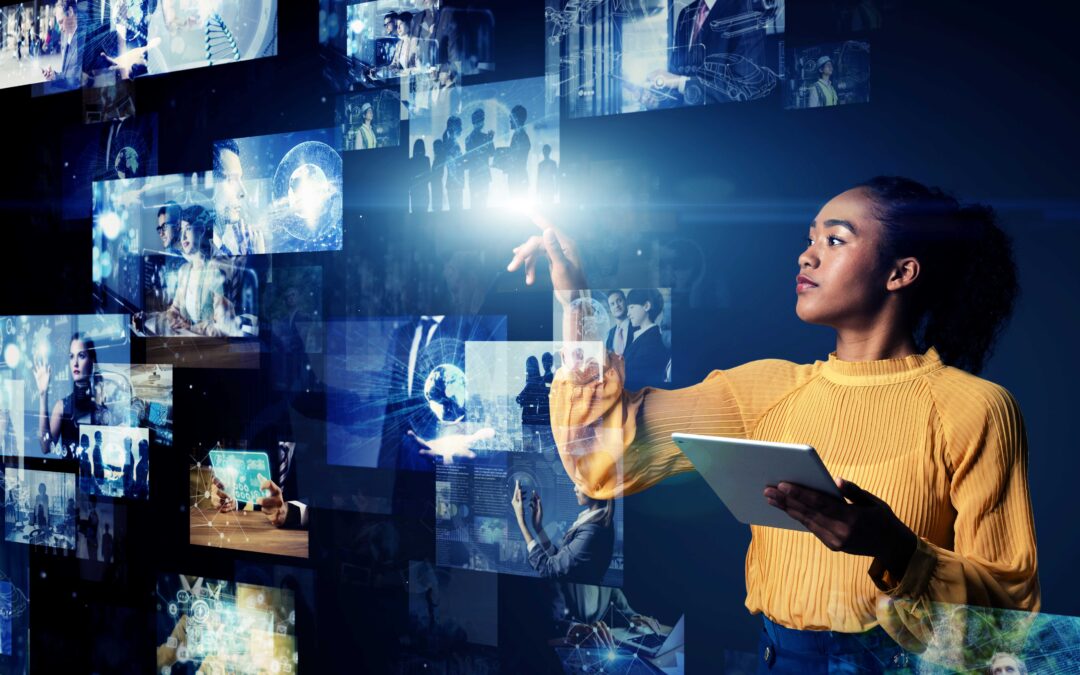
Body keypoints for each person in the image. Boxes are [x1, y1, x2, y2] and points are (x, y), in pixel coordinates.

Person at [508, 176, 1039, 670]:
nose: (806, 253)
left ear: (900, 272)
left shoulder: (975, 407)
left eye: (835, 240)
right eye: (811, 237)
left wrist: (898, 551)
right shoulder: (766, 389)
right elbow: (600, 460)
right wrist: (574, 297)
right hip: (778, 656)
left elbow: (1008, 620)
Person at [659, 0, 766, 105]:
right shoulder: (685, 14)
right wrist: (660, 99)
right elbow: (676, 75)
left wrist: (680, 83)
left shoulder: (746, 10)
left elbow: (743, 88)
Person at [510, 480, 615, 583]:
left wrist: (521, 521)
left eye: (580, 483)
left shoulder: (592, 532)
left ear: (596, 488)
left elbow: (549, 569)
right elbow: (560, 561)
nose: (575, 489)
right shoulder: (593, 521)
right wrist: (538, 527)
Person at [162, 205, 239, 337]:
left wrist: (191, 328)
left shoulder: (216, 271)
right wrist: (172, 319)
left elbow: (222, 326)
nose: (183, 236)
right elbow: (174, 309)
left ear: (202, 230)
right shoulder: (184, 271)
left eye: (188, 229)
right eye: (181, 231)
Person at [33, 333, 110, 457]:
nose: (75, 363)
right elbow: (45, 447)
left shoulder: (104, 404)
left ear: (92, 361)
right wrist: (43, 394)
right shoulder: (62, 406)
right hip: (70, 475)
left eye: (81, 356)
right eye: (71, 356)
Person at [621, 288, 669, 390]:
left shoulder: (653, 341)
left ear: (646, 306)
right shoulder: (640, 335)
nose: (628, 314)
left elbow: (636, 375)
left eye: (632, 307)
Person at [41, 0, 81, 93]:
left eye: (61, 21)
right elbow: (67, 75)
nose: (59, 28)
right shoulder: (66, 36)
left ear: (70, 12)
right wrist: (54, 76)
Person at [464, 108, 494, 209]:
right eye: (482, 120)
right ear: (481, 122)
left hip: (474, 174)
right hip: (483, 174)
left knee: (474, 203)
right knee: (483, 203)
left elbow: (470, 156)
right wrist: (490, 140)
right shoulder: (486, 137)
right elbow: (492, 153)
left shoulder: (468, 138)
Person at [442, 116, 464, 211]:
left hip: (453, 183)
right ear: (454, 128)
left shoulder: (450, 142)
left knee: (455, 211)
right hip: (455, 183)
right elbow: (452, 166)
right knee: (457, 212)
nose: (461, 129)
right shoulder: (452, 144)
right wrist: (458, 181)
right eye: (460, 126)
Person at [604, 290, 631, 356]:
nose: (616, 306)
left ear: (626, 302)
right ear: (610, 309)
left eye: (619, 301)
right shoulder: (610, 333)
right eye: (612, 304)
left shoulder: (638, 327)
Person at [410, 139, 432, 213]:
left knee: (415, 213)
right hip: (423, 190)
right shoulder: (426, 159)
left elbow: (409, 178)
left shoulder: (411, 160)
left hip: (415, 191)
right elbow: (429, 176)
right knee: (423, 213)